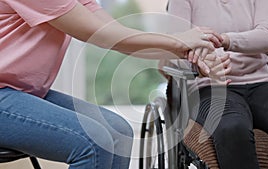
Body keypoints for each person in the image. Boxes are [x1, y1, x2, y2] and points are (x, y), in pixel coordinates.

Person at [0, 0, 224, 169]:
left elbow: (120, 37)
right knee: (93, 142)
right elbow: (100, 34)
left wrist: (188, 51)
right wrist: (179, 42)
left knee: (118, 131)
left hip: (21, 93)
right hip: (5, 95)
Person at [167, 0, 268, 169]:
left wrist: (225, 40)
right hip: (209, 85)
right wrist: (201, 66)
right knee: (233, 128)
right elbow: (175, 49)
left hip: (261, 81)